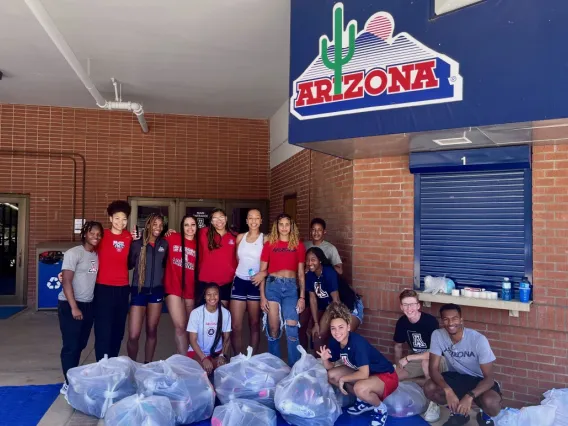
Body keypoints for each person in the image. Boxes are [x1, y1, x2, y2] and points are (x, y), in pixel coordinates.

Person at [318, 302, 397, 426]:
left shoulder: (357, 343)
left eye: (341, 327)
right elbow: (330, 367)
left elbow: (364, 374)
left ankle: (381, 409)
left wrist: (344, 379)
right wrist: (324, 359)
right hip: (365, 374)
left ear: (348, 327)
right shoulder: (334, 341)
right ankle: (364, 401)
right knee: (331, 375)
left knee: (359, 387)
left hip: (386, 376)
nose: (337, 332)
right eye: (333, 328)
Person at [424, 304, 502, 426]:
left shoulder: (478, 340)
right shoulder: (437, 335)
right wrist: (448, 391)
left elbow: (489, 379)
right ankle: (458, 414)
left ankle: (484, 416)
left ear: (461, 319)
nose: (450, 323)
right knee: (430, 388)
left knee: (491, 403)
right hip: (457, 377)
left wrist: (469, 396)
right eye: (446, 319)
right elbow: (433, 369)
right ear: (442, 321)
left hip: (479, 380)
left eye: (455, 318)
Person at [57, 221, 103, 396]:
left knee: (81, 343)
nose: (95, 237)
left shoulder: (96, 255)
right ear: (84, 234)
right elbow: (66, 280)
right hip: (70, 305)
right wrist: (74, 307)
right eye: (92, 233)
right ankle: (68, 383)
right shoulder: (74, 253)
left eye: (99, 234)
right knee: (71, 345)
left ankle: (72, 375)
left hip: (88, 305)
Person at [259, 213, 306, 367]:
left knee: (292, 327)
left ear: (291, 226)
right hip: (272, 286)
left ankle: (295, 367)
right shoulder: (269, 244)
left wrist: (302, 297)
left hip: (291, 288)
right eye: (281, 224)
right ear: (276, 226)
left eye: (287, 224)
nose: (284, 228)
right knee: (273, 328)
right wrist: (262, 297)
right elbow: (262, 272)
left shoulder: (298, 245)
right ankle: (275, 366)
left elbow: (300, 273)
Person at [393, 289, 444, 421]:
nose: (409, 308)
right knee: (395, 378)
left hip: (437, 358)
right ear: (401, 306)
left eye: (412, 304)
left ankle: (434, 402)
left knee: (426, 362)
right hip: (417, 358)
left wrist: (408, 358)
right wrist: (399, 364)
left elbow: (434, 352)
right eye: (405, 304)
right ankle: (423, 389)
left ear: (418, 305)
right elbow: (398, 346)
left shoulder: (430, 322)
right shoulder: (402, 322)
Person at [93, 200, 133, 361]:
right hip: (103, 288)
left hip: (123, 289)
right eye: (117, 218)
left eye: (124, 219)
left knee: (118, 330)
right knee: (103, 330)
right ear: (110, 218)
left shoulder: (129, 237)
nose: (120, 222)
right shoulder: (102, 236)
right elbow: (87, 253)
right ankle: (101, 365)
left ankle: (113, 363)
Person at [126, 213, 168, 363]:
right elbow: (129, 264)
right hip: (139, 291)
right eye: (155, 224)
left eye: (160, 225)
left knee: (151, 331)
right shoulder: (137, 244)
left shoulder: (164, 244)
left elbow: (165, 266)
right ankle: (132, 365)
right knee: (133, 334)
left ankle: (148, 365)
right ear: (148, 225)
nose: (158, 228)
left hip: (156, 291)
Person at [306, 247, 363, 354]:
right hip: (333, 306)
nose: (310, 263)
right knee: (318, 335)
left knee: (343, 335)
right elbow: (312, 299)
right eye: (307, 260)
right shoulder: (310, 275)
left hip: (349, 306)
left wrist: (336, 326)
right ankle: (320, 367)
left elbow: (336, 300)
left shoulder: (328, 272)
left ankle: (348, 364)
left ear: (320, 260)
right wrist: (316, 323)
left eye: (313, 259)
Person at [230, 208, 267, 355]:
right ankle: (238, 358)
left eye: (257, 218)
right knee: (236, 325)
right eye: (250, 218)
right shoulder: (240, 237)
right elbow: (238, 260)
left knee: (254, 323)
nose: (253, 221)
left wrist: (263, 273)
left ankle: (251, 358)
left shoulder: (266, 239)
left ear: (261, 220)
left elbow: (271, 262)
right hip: (239, 281)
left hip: (256, 283)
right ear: (246, 220)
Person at [163, 215, 199, 355]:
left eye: (193, 225)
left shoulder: (199, 244)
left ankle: (187, 358)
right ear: (181, 227)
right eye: (186, 225)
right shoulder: (173, 238)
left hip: (191, 289)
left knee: (191, 327)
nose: (190, 228)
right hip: (173, 286)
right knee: (180, 326)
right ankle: (182, 361)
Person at [187, 283, 231, 375]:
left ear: (219, 296)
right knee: (201, 372)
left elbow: (227, 338)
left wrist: (222, 355)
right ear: (204, 296)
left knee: (223, 371)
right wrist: (204, 358)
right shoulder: (196, 313)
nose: (212, 297)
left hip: (216, 352)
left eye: (215, 294)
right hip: (198, 352)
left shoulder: (226, 313)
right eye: (209, 294)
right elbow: (193, 340)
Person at [197, 208, 237, 308]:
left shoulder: (234, 236)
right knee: (205, 316)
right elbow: (187, 236)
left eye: (221, 217)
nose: (219, 221)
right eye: (215, 218)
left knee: (222, 314)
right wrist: (170, 233)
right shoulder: (203, 233)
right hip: (205, 281)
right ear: (211, 221)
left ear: (226, 218)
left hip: (226, 282)